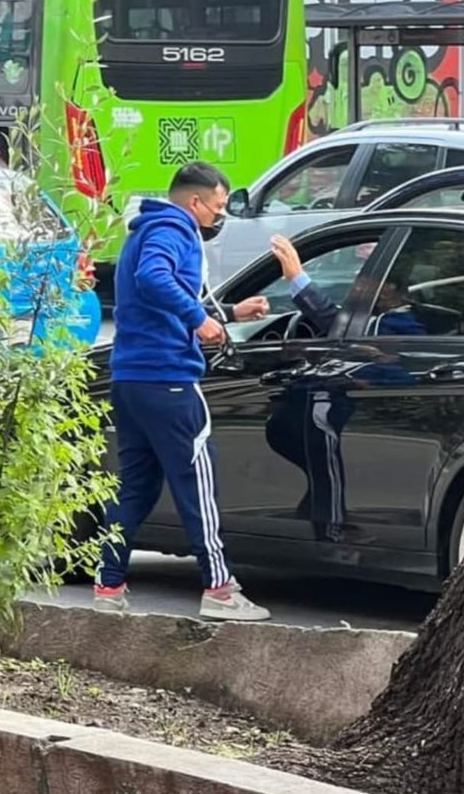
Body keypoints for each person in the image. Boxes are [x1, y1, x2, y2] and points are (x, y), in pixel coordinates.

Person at [95, 160, 271, 621]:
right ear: (195, 201)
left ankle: (108, 584)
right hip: (169, 378)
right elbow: (155, 280)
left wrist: (230, 313)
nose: (218, 218)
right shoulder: (174, 228)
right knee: (198, 484)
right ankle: (219, 587)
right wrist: (202, 320)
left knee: (136, 485)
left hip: (130, 378)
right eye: (216, 208)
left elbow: (158, 298)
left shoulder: (145, 228)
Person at [269, 234, 427, 337]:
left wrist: (296, 276)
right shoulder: (413, 314)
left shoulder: (396, 324)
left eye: (362, 280)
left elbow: (339, 327)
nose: (355, 286)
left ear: (387, 290)